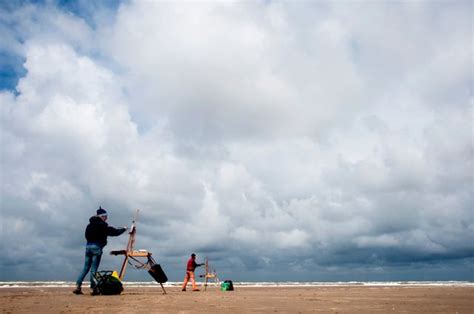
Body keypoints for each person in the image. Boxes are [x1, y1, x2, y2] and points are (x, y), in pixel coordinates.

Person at [73, 206, 127, 295]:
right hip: (97, 248)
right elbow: (115, 232)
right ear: (101, 216)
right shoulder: (102, 225)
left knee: (85, 268)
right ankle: (93, 288)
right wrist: (124, 229)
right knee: (93, 269)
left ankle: (78, 286)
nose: (106, 218)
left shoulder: (89, 225)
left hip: (88, 247)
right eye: (105, 216)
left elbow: (86, 236)